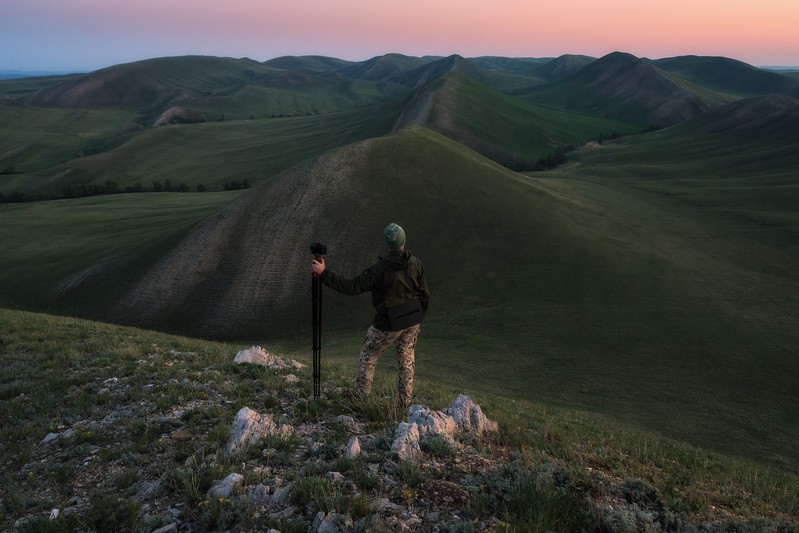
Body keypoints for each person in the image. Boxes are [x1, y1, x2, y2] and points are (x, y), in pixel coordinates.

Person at [311, 223, 430, 407]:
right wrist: (418, 315)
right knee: (406, 360)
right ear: (403, 242)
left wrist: (324, 273)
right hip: (412, 319)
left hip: (387, 323)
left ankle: (360, 399)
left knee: (369, 354)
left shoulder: (380, 269)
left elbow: (353, 287)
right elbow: (424, 295)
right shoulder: (416, 263)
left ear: (387, 244)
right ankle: (404, 404)